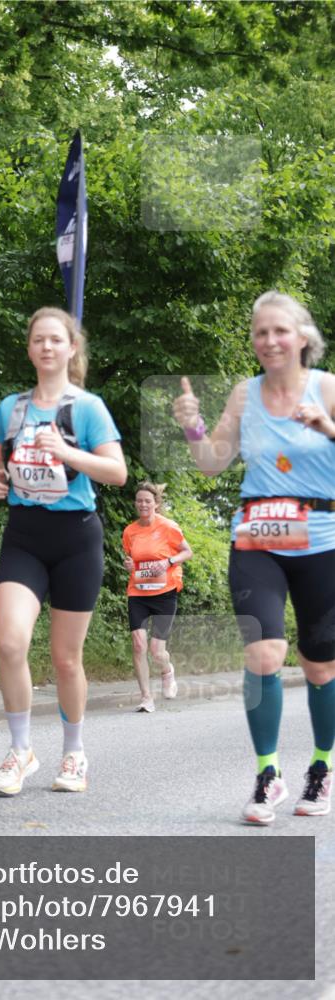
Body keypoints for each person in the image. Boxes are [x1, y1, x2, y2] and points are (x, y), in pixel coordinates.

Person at [173, 291, 335, 824]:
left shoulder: (328, 389)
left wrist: (328, 429)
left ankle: (321, 766)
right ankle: (268, 775)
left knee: (320, 665)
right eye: (261, 332)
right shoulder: (245, 395)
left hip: (322, 542)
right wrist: (193, 425)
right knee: (263, 654)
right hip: (257, 538)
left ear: (303, 337)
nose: (269, 341)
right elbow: (212, 463)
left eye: (279, 331)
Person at [0, 306, 127, 795]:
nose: (46, 347)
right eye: (38, 340)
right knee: (10, 643)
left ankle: (74, 754)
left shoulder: (87, 408)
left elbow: (117, 472)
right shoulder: (12, 408)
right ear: (29, 349)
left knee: (66, 659)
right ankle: (20, 750)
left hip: (76, 538)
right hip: (24, 535)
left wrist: (66, 453)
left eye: (55, 340)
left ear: (71, 349)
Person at [122, 481, 193, 713]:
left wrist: (169, 561)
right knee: (138, 644)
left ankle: (166, 670)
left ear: (156, 504)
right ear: (135, 503)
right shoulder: (130, 532)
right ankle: (146, 697)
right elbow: (132, 561)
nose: (143, 504)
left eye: (147, 501)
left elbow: (187, 551)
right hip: (138, 593)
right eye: (139, 500)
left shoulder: (168, 527)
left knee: (156, 650)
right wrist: (129, 565)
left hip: (165, 593)